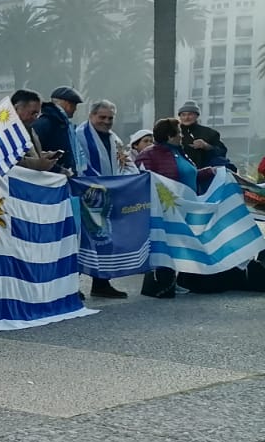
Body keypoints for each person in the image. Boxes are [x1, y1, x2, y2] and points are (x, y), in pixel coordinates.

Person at [138, 117, 217, 300]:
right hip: (166, 207)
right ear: (169, 135)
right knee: (168, 243)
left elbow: (190, 175)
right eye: (179, 133)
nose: (182, 136)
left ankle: (177, 279)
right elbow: (143, 180)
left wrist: (210, 172)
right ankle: (162, 282)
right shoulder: (149, 154)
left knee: (180, 242)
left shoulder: (180, 152)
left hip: (185, 206)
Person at [73, 100, 132, 299]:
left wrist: (131, 181)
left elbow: (126, 163)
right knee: (83, 241)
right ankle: (74, 285)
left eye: (110, 118)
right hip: (87, 195)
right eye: (102, 117)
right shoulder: (79, 136)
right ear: (91, 116)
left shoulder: (115, 138)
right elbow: (80, 164)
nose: (106, 122)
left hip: (110, 196)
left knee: (106, 239)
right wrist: (102, 185)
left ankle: (101, 283)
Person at [34, 86, 83, 174]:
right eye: (73, 105)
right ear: (66, 104)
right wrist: (58, 170)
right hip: (51, 178)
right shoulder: (46, 123)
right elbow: (35, 154)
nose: (75, 109)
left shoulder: (65, 125)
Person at [175, 102, 230, 169]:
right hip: (179, 171)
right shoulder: (173, 133)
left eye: (190, 114)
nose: (186, 117)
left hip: (204, 172)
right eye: (183, 115)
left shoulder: (210, 133)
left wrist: (206, 146)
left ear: (197, 116)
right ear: (180, 117)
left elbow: (222, 152)